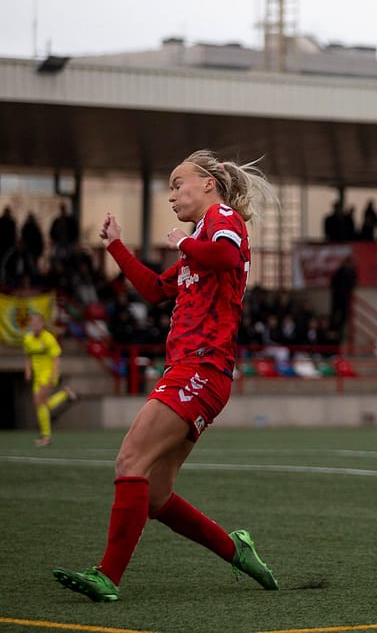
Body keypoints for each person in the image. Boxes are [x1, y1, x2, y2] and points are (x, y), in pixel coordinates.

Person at [52, 149, 281, 602]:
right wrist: (116, 246)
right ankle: (236, 548)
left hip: (200, 366)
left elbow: (224, 258)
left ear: (209, 184)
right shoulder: (201, 237)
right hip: (201, 373)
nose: (173, 194)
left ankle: (107, 576)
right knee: (156, 495)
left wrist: (181, 241)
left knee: (129, 460)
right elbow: (156, 289)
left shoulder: (222, 219)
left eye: (179, 184)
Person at [23, 311, 78, 447]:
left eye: (38, 322)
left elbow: (56, 359)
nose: (35, 325)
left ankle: (46, 437)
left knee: (38, 403)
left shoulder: (48, 338)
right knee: (43, 405)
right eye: (33, 323)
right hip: (37, 375)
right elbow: (29, 356)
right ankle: (64, 394)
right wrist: (28, 370)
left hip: (48, 374)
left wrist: (53, 375)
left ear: (42, 324)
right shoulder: (28, 339)